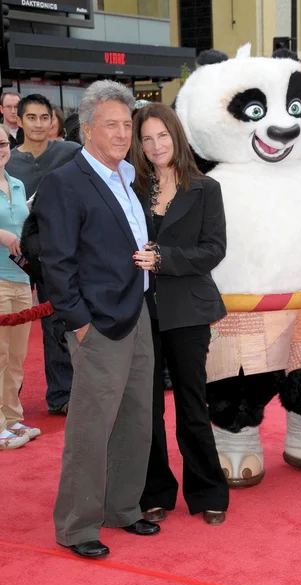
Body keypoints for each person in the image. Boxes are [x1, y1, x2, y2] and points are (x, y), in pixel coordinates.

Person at [35, 80, 159, 559]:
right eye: (111, 125)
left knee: (135, 418)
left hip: (139, 311)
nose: (122, 133)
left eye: (127, 124)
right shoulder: (66, 182)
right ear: (86, 130)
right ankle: (77, 526)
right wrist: (79, 322)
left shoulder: (130, 175)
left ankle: (122, 509)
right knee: (91, 426)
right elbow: (56, 261)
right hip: (97, 323)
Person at [131, 103, 229, 526]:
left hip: (188, 310)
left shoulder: (205, 188)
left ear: (177, 135)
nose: (155, 145)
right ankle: (154, 492)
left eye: (162, 136)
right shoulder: (131, 187)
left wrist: (163, 258)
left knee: (191, 403)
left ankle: (208, 491)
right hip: (139, 312)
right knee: (146, 408)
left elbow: (214, 250)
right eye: (147, 138)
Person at [7, 94, 80, 416]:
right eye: (31, 117)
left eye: (44, 117)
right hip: (8, 260)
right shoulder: (6, 158)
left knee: (56, 325)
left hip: (52, 254)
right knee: (8, 333)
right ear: (18, 121)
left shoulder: (69, 153)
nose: (38, 124)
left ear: (53, 121)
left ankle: (62, 394)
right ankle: (8, 401)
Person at [0, 123, 40, 449]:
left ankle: (13, 420)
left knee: (16, 358)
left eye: (2, 143)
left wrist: (29, 208)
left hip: (22, 280)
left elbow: (21, 227)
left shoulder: (16, 183)